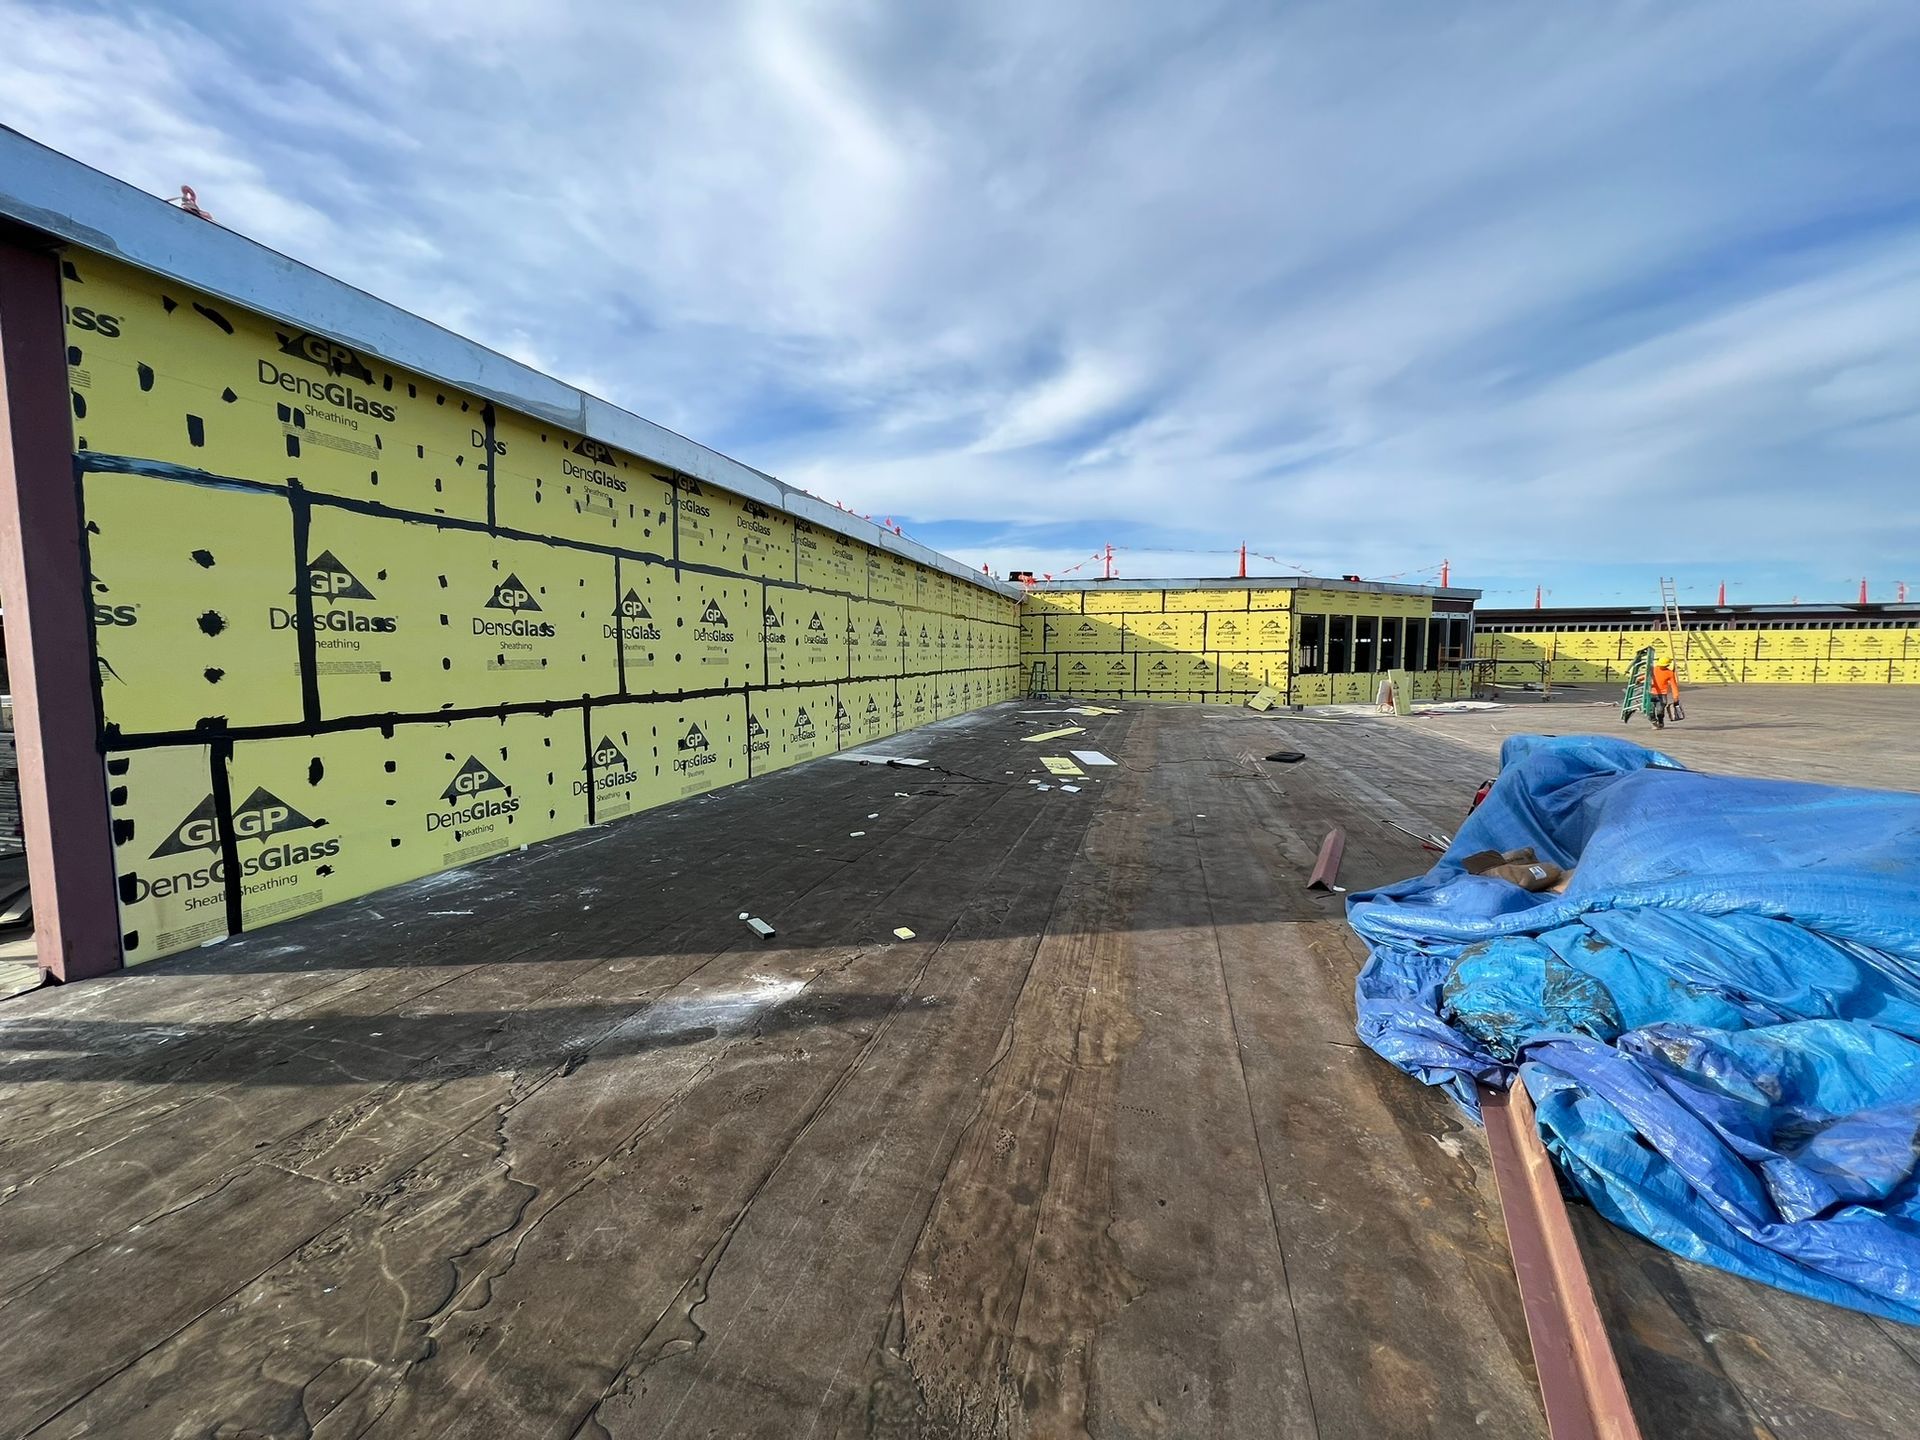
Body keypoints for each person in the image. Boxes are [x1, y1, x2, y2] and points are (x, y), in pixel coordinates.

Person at [1650, 659, 1681, 725]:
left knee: (1660, 710)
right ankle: (1654, 721)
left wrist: (1675, 696)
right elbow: (1646, 676)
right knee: (1650, 710)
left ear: (1667, 665)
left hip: (1662, 694)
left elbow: (1673, 685)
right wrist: (1640, 679)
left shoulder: (1669, 673)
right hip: (1652, 693)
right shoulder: (1654, 669)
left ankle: (1660, 722)